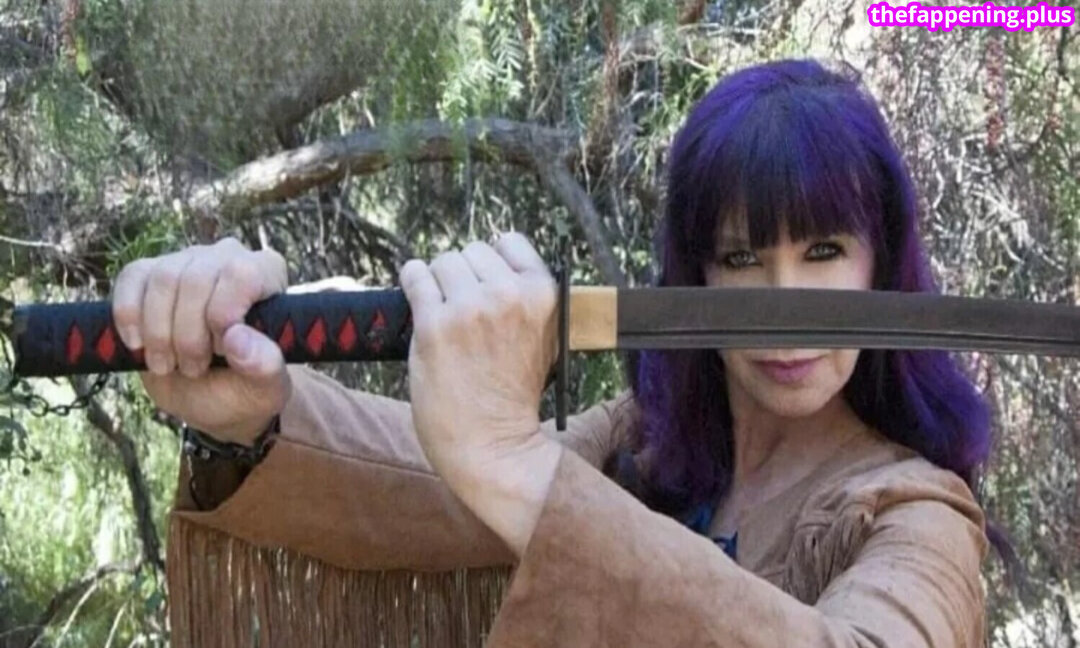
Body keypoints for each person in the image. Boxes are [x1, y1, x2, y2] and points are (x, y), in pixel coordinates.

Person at [113, 59, 994, 647]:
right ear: (693, 274)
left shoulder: (916, 513)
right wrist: (258, 416)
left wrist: (518, 464)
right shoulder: (644, 444)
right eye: (740, 258)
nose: (784, 310)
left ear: (883, 265)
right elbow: (443, 480)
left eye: (825, 251)